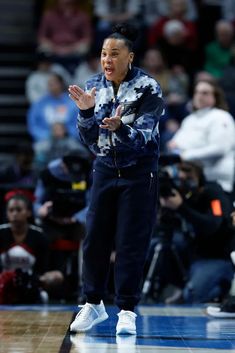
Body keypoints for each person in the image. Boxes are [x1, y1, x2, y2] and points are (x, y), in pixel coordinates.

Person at [68, 23, 164, 335]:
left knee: (130, 242)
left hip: (140, 173)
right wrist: (85, 114)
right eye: (103, 54)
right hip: (105, 169)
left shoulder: (148, 88)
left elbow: (144, 137)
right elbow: (92, 142)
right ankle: (93, 303)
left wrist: (119, 127)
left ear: (130, 57)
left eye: (114, 54)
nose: (107, 60)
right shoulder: (94, 84)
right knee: (94, 238)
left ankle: (126, 309)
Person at [157, 160, 234, 303]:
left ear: (200, 178)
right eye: (180, 178)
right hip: (192, 252)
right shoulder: (178, 194)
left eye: (189, 177)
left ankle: (221, 288)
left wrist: (181, 208)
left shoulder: (215, 195)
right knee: (157, 246)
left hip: (215, 256)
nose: (184, 181)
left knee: (192, 296)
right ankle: (182, 285)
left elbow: (213, 225)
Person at [167, 79, 235, 195]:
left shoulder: (221, 117)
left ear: (215, 96)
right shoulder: (189, 119)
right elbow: (174, 144)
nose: (199, 96)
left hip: (216, 183)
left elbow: (220, 149)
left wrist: (186, 155)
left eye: (205, 93)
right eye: (197, 92)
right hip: (190, 182)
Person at [0, 190, 63, 304]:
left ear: (28, 212)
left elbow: (43, 269)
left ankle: (37, 294)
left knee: (57, 276)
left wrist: (33, 280)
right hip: (2, 282)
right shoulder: (1, 233)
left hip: (30, 282)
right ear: (6, 213)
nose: (14, 213)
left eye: (19, 210)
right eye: (11, 210)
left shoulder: (40, 236)